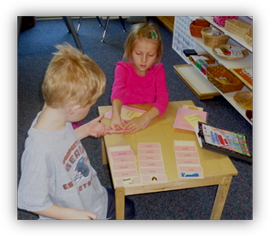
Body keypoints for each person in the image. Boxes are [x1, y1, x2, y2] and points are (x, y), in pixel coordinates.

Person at [17, 43, 135, 220]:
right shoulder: (38, 151)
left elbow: (61, 144)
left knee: (128, 207)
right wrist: (74, 215)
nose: (92, 106)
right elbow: (29, 200)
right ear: (74, 108)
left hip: (89, 195)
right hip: (73, 210)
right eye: (90, 104)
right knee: (126, 211)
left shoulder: (54, 115)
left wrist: (86, 130)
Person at [110, 22, 169, 134]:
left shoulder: (158, 70)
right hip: (127, 118)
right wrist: (116, 114)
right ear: (130, 51)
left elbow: (163, 100)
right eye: (138, 53)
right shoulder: (122, 69)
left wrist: (144, 118)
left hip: (149, 117)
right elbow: (117, 93)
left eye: (150, 55)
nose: (144, 60)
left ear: (157, 55)